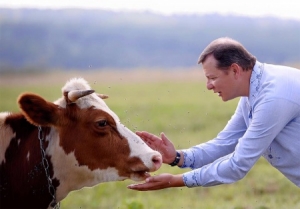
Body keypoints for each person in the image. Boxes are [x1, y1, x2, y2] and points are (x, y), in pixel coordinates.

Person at [127, 37, 300, 191]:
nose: (208, 85)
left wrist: (175, 181)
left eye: (212, 78)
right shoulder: (255, 91)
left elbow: (238, 165)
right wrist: (177, 157)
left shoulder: (272, 97)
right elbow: (224, 143)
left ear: (235, 70)